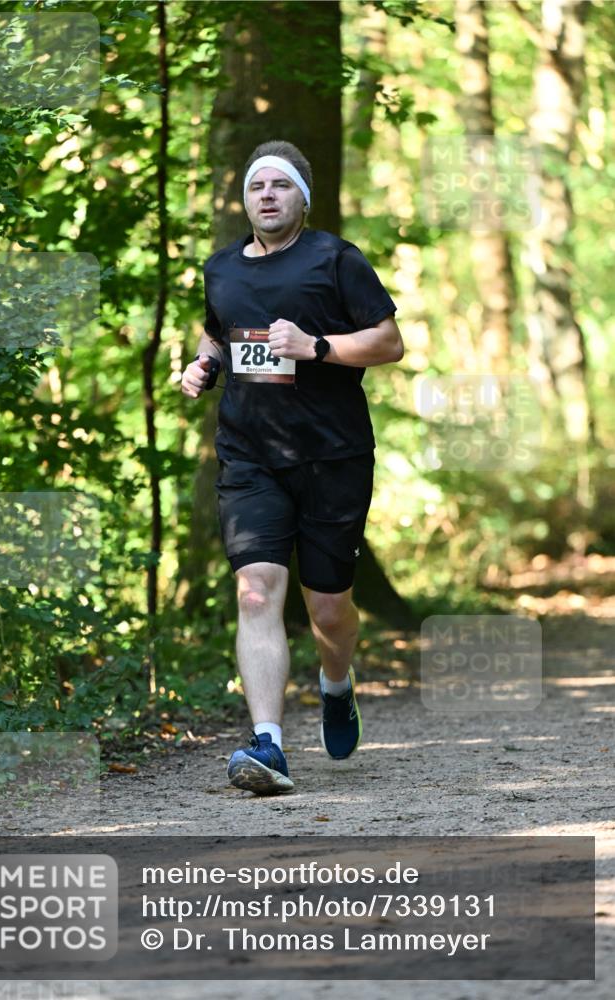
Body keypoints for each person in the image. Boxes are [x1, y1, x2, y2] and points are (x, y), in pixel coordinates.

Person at [181, 140, 403, 795]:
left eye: (281, 185)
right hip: (249, 456)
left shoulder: (334, 259)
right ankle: (267, 745)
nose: (268, 195)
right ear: (245, 198)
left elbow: (389, 342)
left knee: (328, 609)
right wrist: (203, 366)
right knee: (256, 591)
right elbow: (216, 332)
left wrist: (318, 346)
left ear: (301, 196)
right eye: (258, 187)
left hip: (332, 455)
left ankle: (336, 683)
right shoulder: (220, 268)